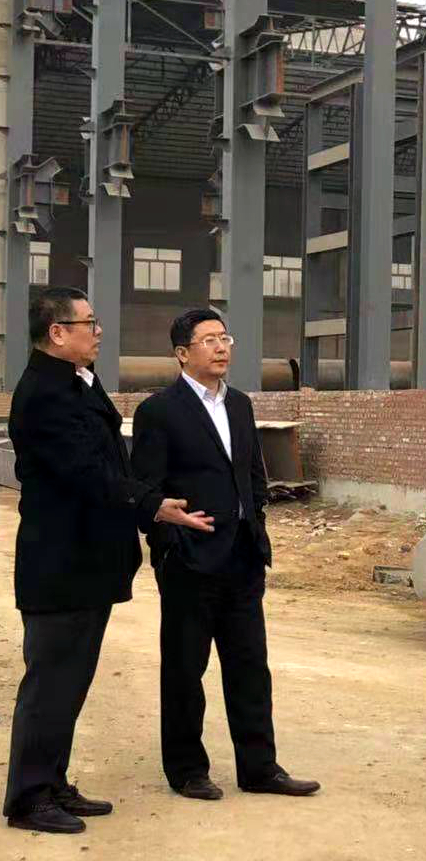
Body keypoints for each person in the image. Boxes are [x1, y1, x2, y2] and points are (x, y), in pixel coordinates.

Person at [4, 288, 213, 834]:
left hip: (88, 560)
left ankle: (52, 782)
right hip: (60, 562)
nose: (98, 332)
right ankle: (28, 798)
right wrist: (151, 503)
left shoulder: (77, 380)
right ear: (57, 333)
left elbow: (107, 460)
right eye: (89, 323)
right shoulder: (42, 394)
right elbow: (84, 471)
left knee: (71, 682)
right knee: (50, 683)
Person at [130, 309, 319, 801]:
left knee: (250, 667)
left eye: (225, 338)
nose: (221, 347)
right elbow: (144, 489)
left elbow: (253, 474)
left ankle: (260, 769)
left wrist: (256, 523)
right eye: (209, 340)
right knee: (184, 670)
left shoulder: (239, 404)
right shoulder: (159, 411)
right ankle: (187, 770)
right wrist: (170, 543)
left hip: (241, 556)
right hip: (189, 561)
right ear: (182, 353)